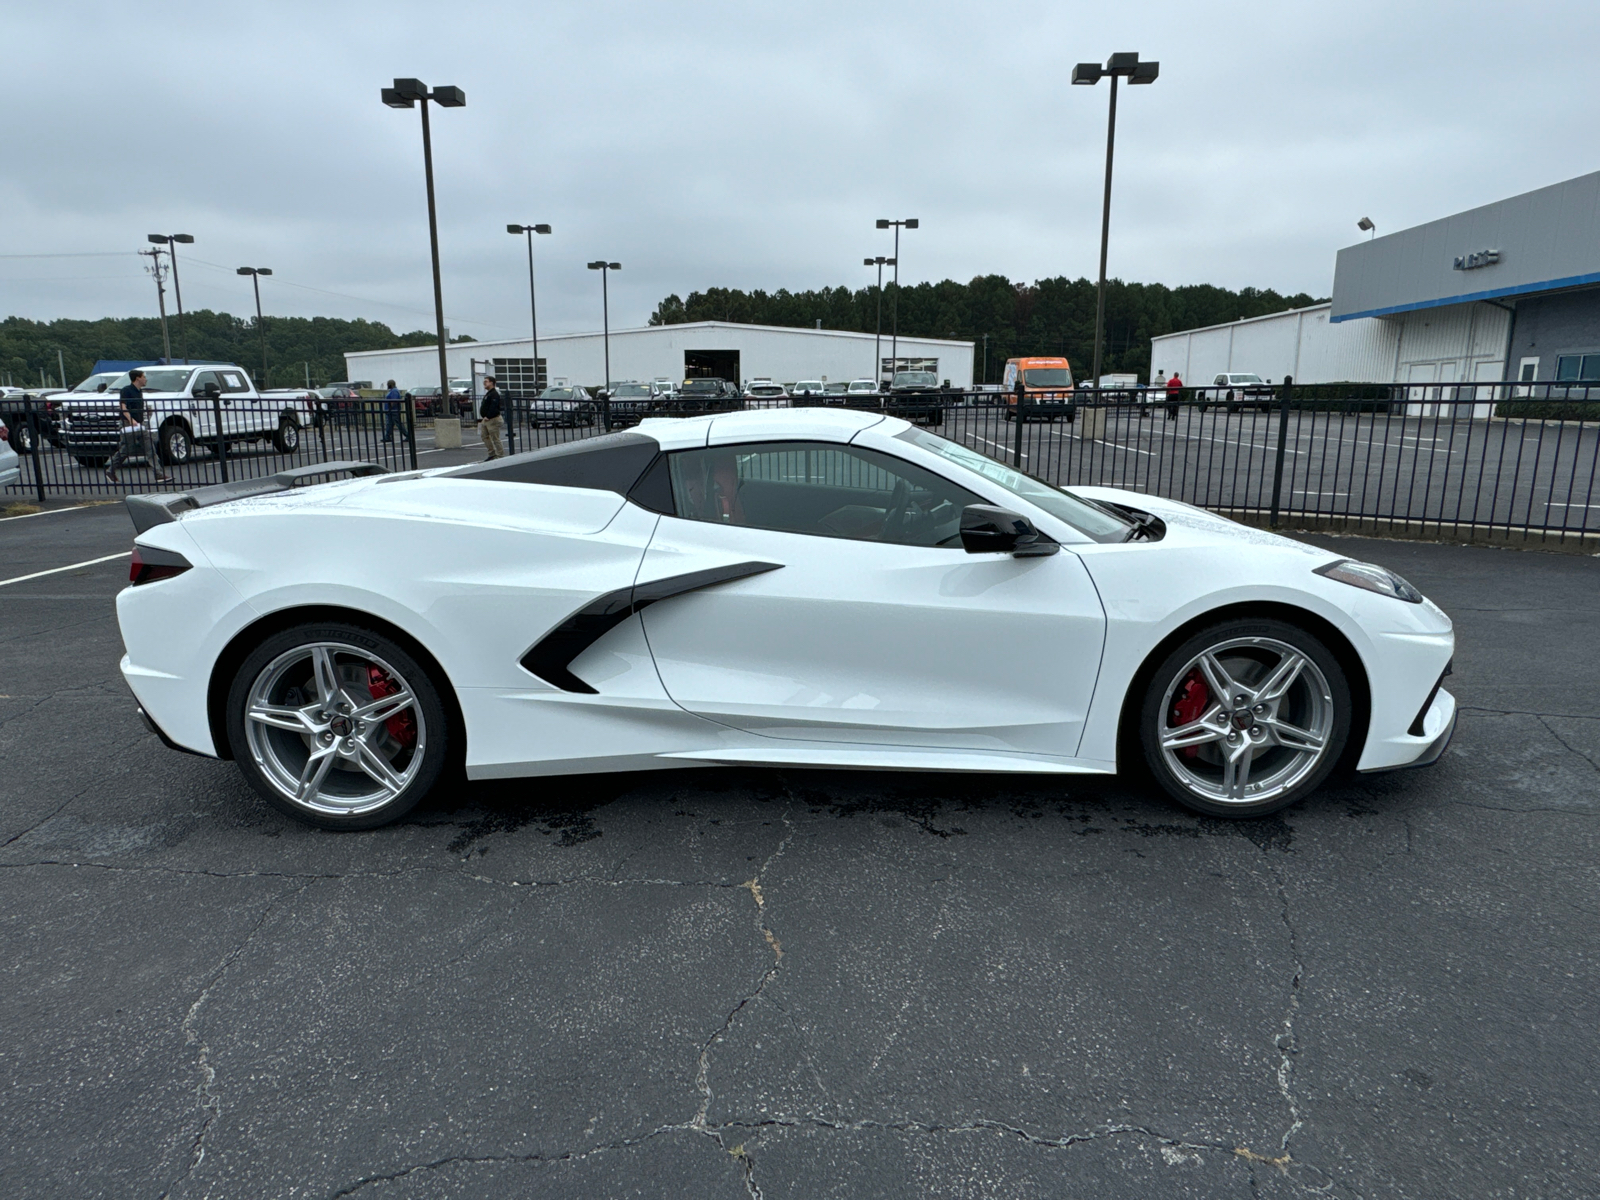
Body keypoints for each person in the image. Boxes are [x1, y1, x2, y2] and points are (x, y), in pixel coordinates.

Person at [105, 369, 173, 484]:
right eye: (144, 377)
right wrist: (131, 419)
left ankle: (159, 474)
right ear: (137, 378)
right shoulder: (126, 390)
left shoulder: (139, 391)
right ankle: (111, 470)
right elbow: (123, 406)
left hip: (140, 424)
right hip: (129, 424)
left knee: (150, 448)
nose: (145, 379)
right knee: (126, 450)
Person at [479, 375, 506, 460]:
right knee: (484, 436)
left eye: (486, 381)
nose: (484, 383)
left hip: (493, 419)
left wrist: (488, 416)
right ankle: (492, 454)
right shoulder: (489, 393)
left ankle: (500, 455)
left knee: (495, 438)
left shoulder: (494, 394)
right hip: (486, 419)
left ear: (491, 383)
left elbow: (494, 406)